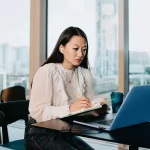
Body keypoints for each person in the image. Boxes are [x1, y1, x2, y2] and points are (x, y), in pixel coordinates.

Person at [24, 26, 103, 150]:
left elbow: (89, 101)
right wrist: (70, 108)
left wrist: (97, 105)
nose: (80, 54)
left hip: (65, 132)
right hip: (39, 132)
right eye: (75, 49)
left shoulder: (84, 73)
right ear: (62, 48)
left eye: (84, 49)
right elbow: (38, 111)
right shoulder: (47, 71)